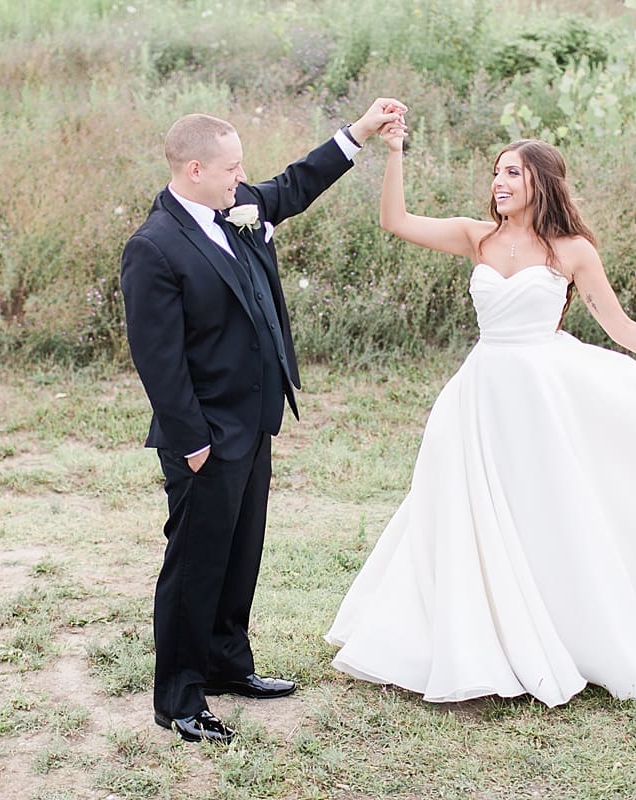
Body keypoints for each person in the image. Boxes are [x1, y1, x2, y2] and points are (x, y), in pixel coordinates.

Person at [324, 123, 636, 707]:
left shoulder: (571, 251)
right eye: (496, 171)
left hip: (542, 394)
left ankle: (561, 624)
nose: (498, 181)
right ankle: (466, 633)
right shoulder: (477, 237)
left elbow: (619, 326)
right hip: (480, 394)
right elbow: (395, 222)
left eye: (512, 171)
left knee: (545, 507)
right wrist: (395, 152)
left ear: (542, 181)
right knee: (465, 507)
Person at [122, 98, 407, 743]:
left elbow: (296, 184)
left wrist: (359, 132)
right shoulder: (154, 246)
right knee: (195, 562)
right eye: (231, 167)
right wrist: (193, 442)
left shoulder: (235, 207)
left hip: (254, 422)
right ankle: (180, 697)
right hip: (204, 436)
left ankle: (227, 664)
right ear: (194, 169)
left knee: (239, 551)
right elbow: (157, 359)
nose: (241, 177)